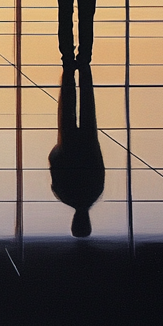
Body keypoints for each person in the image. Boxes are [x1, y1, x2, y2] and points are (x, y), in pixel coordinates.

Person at [49, 63, 105, 237]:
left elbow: (98, 163)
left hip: (88, 144)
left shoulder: (96, 192)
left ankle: (84, 63)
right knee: (67, 105)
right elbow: (55, 164)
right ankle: (68, 65)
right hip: (68, 147)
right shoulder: (64, 195)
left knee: (88, 103)